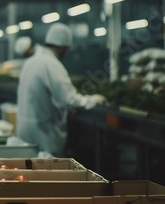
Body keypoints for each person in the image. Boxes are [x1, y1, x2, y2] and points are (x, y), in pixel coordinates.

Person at [16, 23, 106, 157]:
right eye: (67, 48)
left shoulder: (31, 62)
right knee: (47, 172)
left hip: (25, 130)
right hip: (43, 134)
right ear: (62, 47)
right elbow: (69, 99)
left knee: (30, 172)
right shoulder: (51, 64)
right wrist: (93, 100)